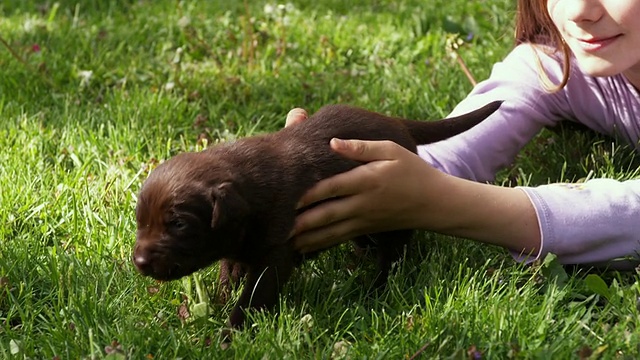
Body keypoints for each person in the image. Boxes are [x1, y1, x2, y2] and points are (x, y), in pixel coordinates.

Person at [285, 0, 640, 269]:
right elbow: (439, 159)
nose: (579, 10)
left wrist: (442, 202)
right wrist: (338, 171)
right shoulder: (557, 64)